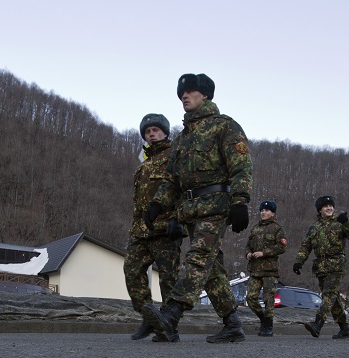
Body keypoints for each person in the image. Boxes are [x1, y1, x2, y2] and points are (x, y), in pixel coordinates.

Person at [142, 73, 253, 343]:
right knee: (212, 269)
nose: (184, 96)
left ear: (205, 95)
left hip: (216, 205)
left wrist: (240, 201)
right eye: (182, 93)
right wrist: (157, 204)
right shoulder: (181, 139)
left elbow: (241, 166)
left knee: (197, 258)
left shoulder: (224, 126)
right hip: (190, 210)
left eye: (190, 92)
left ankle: (171, 315)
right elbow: (171, 179)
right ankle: (232, 324)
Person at [123, 113, 182, 342]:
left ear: (165, 132)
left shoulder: (174, 157)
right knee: (132, 270)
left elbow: (183, 188)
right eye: (148, 132)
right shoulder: (143, 166)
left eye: (156, 130)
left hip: (166, 227)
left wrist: (178, 219)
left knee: (168, 279)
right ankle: (150, 318)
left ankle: (169, 325)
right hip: (140, 230)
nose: (152, 134)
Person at [293, 195, 349, 339]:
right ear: (320, 210)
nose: (329, 208)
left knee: (328, 294)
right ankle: (344, 328)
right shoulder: (314, 228)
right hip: (321, 266)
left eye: (331, 205)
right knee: (333, 299)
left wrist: (347, 222)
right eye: (326, 206)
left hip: (336, 264)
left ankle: (318, 324)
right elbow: (306, 247)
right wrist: (299, 261)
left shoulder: (340, 222)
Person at [245, 200, 288, 337]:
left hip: (270, 270)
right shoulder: (255, 228)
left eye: (267, 210)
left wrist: (264, 253)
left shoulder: (277, 229)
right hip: (255, 269)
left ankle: (268, 326)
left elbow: (282, 247)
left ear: (273, 213)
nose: (264, 212)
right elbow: (248, 245)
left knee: (268, 299)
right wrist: (248, 254)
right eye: (262, 210)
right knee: (250, 298)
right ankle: (263, 319)